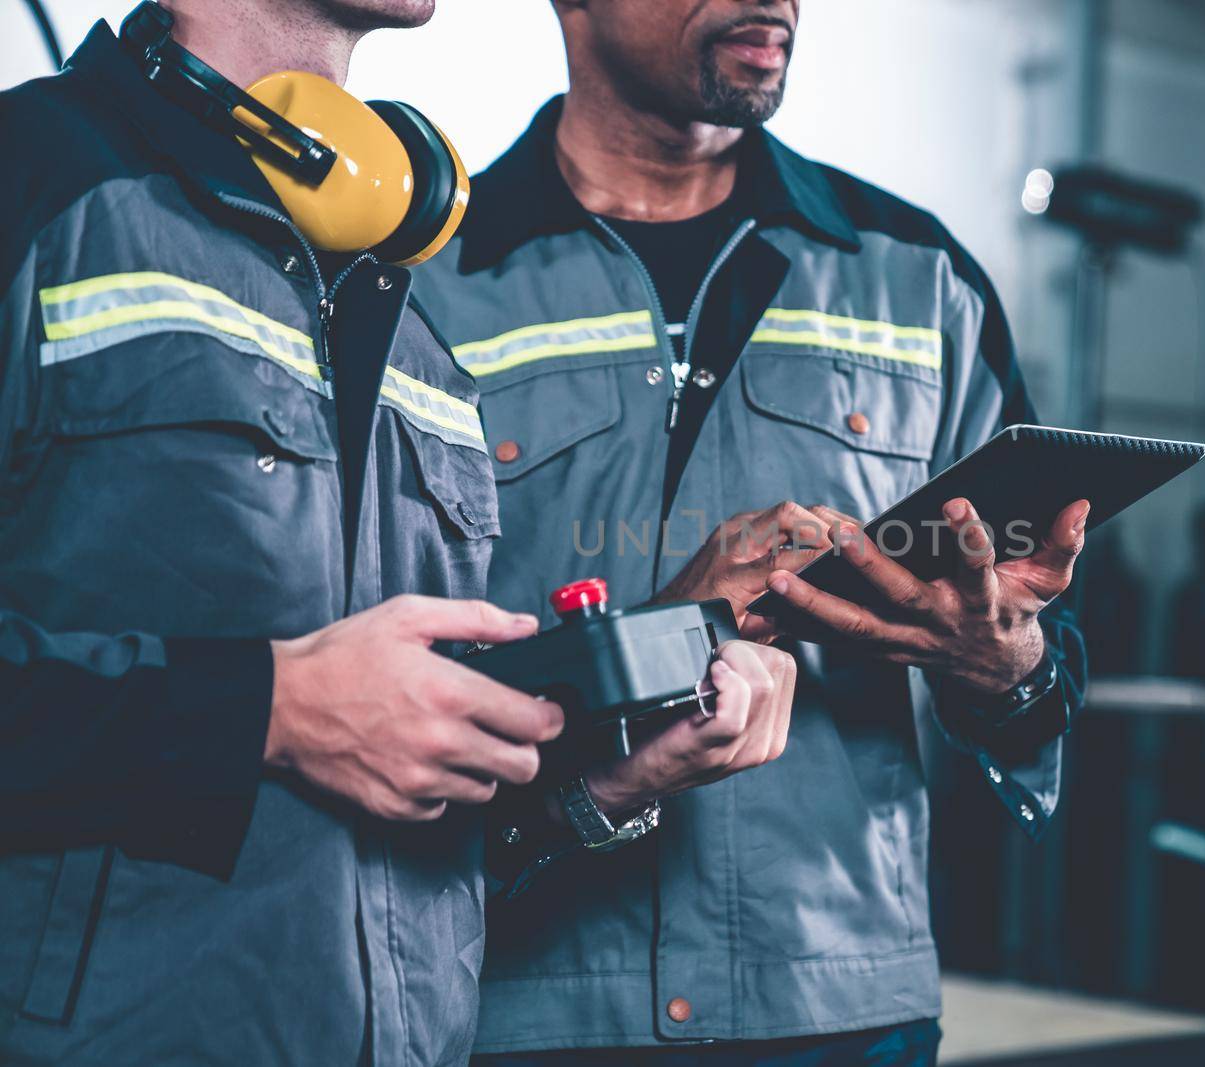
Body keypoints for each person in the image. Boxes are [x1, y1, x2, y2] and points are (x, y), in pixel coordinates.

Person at [0, 2, 793, 1064]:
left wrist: (599, 784)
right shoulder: (33, 181)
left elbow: (389, 831)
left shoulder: (411, 315)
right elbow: (296, 724)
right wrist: (269, 709)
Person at [413, 0, 1089, 1062]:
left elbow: (1041, 663)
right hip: (518, 998)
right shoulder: (420, 290)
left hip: (834, 1008)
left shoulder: (920, 280)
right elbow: (369, 666)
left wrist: (1005, 669)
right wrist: (662, 634)